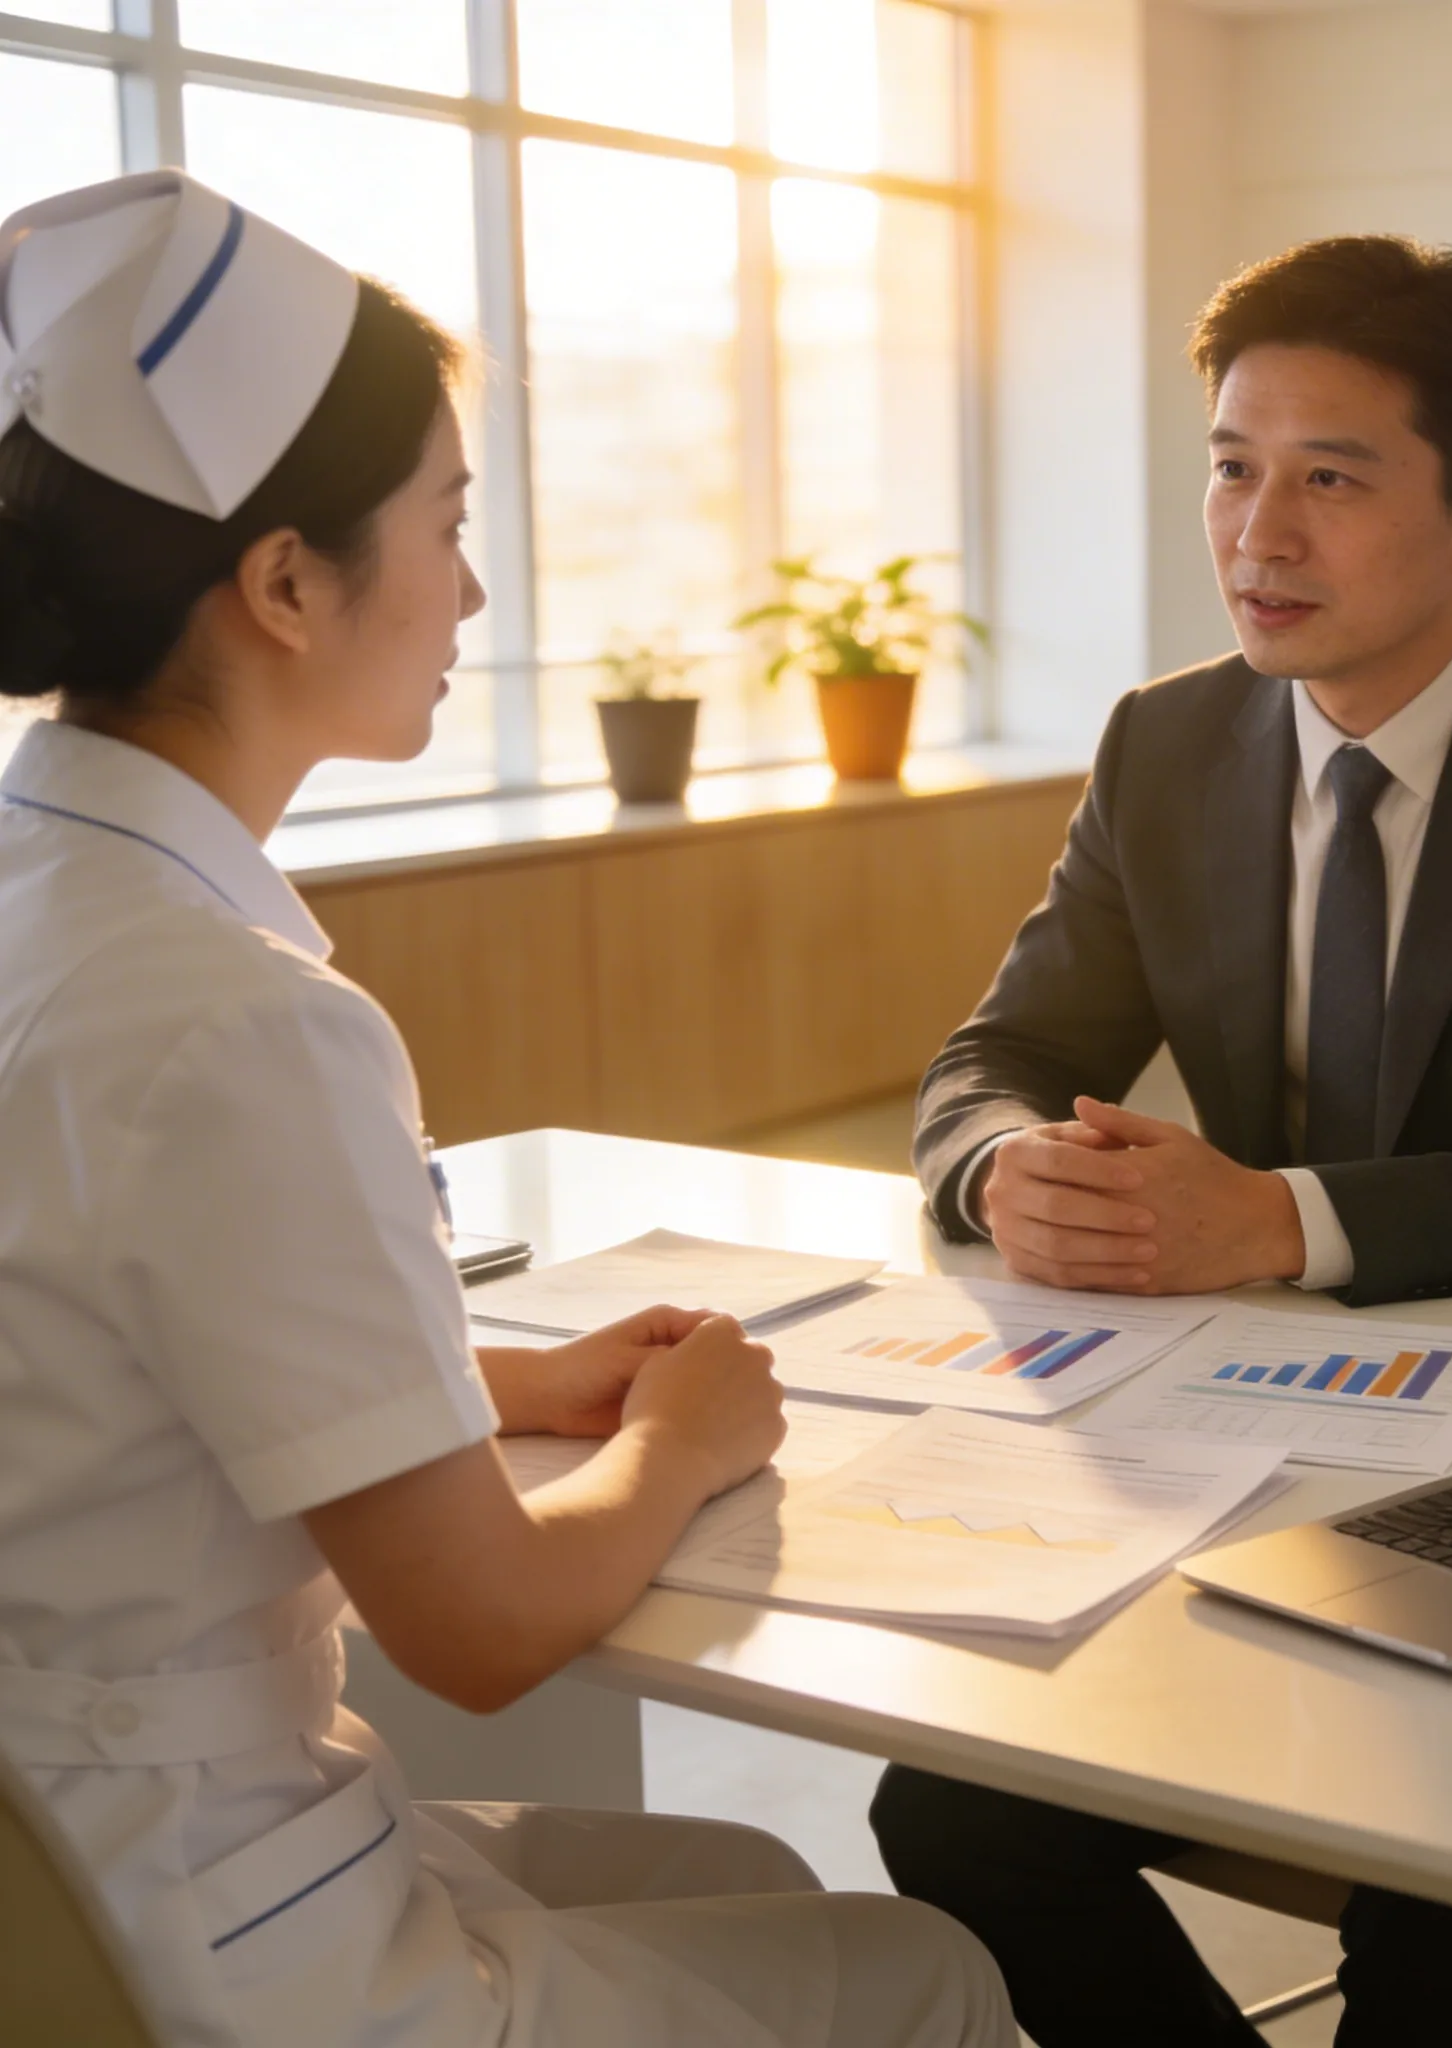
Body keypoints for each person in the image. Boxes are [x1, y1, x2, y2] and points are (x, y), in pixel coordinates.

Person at [0, 170, 1013, 2048]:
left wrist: (477, 1387)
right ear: (288, 582)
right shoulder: (239, 1027)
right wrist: (683, 1441)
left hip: (75, 1828)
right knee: (926, 1971)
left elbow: (101, 1378)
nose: (471, 591)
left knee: (767, 1884)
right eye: (448, 528)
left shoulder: (49, 892)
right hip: (174, 1918)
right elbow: (478, 1631)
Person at [873, 237, 1452, 2046]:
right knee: (946, 1806)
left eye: (1332, 478)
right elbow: (996, 1058)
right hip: (1228, 1460)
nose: (1256, 534)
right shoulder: (1166, 744)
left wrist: (1274, 1225)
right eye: (1231, 464)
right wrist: (1001, 1167)